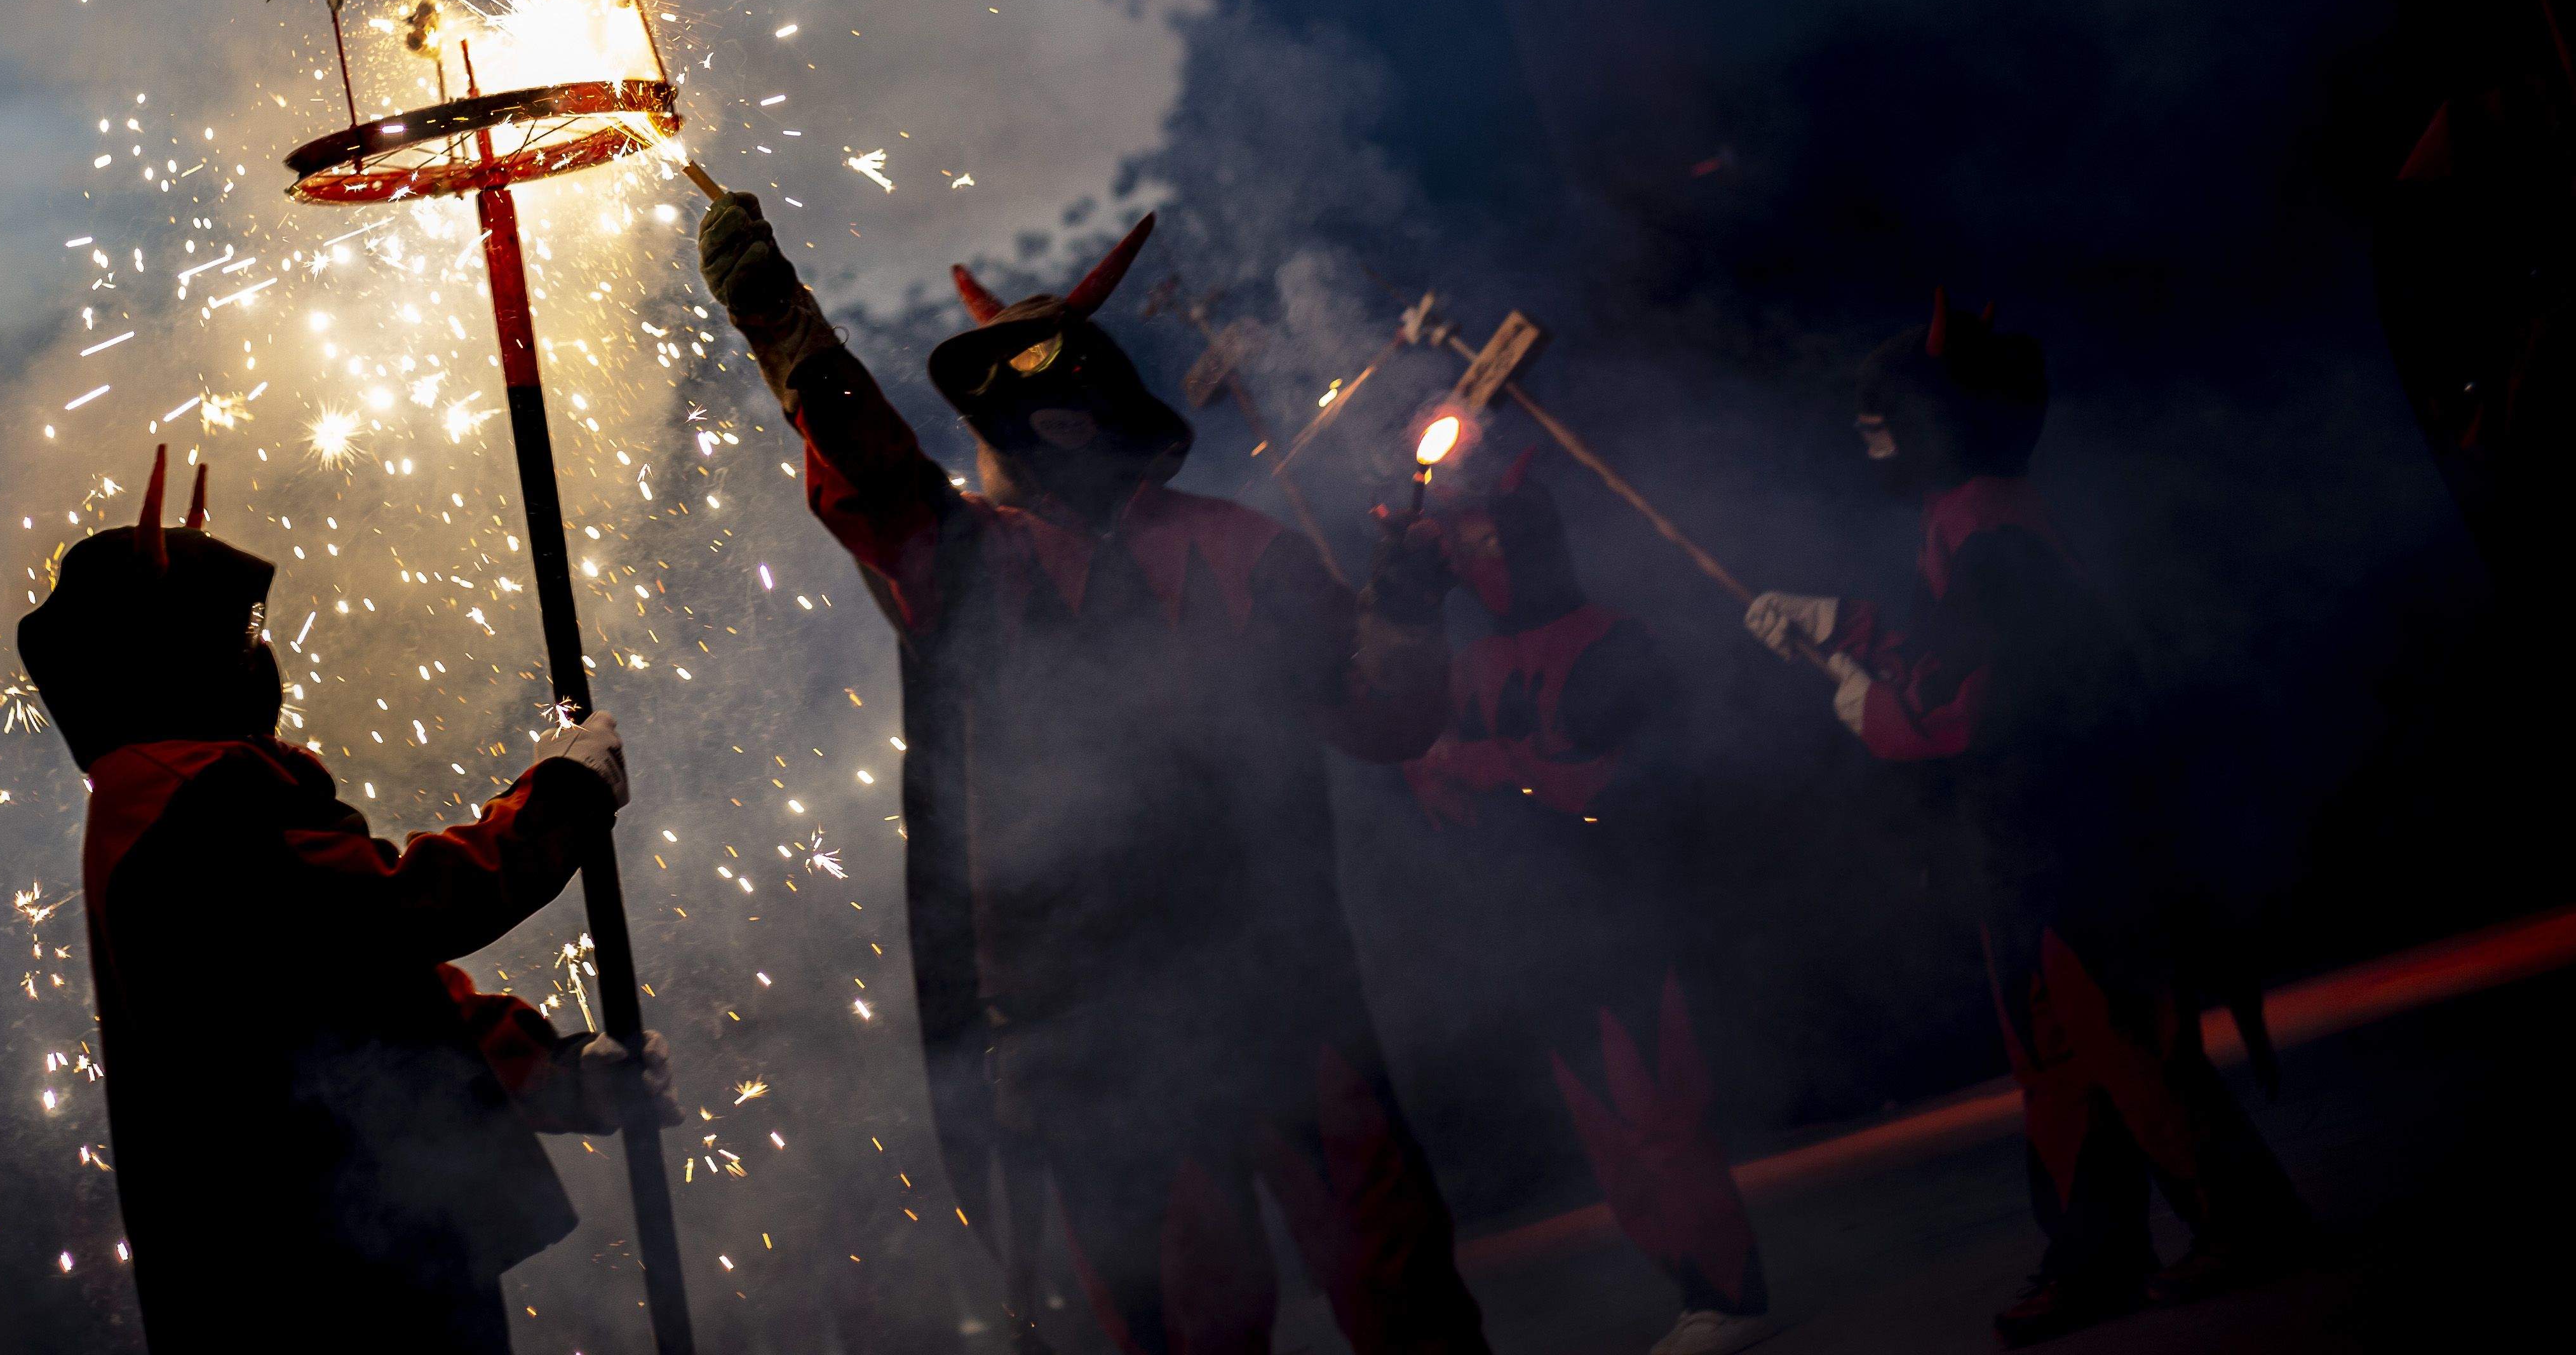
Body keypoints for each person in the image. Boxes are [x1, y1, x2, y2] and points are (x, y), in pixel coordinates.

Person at [695, 195, 1488, 1355]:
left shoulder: (1236, 550)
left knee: (1390, 1266)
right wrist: (788, 330)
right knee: (1180, 1310)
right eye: (1007, 399)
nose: (1038, 419)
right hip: (1091, 1018)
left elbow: (1388, 720)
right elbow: (872, 478)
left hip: (1278, 980)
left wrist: (1410, 614)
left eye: (1058, 394)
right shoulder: (972, 563)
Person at [15, 447, 675, 1355]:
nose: (257, 654)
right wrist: (561, 802)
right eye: (234, 637)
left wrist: (556, 1073)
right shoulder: (194, 797)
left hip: (334, 1259)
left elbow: (357, 1001)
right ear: (167, 653)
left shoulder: (155, 797)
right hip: (328, 1280)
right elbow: (391, 919)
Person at [1743, 296, 2307, 1345]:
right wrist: (1842, 626)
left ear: (1937, 426)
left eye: (1879, 431)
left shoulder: (1994, 528)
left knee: (2124, 1042)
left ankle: (2243, 1221)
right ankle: (2098, 1249)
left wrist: (1874, 708)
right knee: (2055, 1058)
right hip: (2026, 843)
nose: (1866, 450)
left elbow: (1983, 692)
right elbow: (1942, 642)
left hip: (2077, 835)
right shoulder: (1964, 515)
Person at [1401, 459, 1772, 1355]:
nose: (1467, 560)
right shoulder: (1470, 664)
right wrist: (1435, 766)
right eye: (1458, 547)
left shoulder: (1614, 640)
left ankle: (1727, 1293)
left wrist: (1510, 773)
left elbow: (1638, 783)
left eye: (1482, 541)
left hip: (1627, 912)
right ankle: (1690, 1290)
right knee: (1608, 1129)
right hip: (1540, 922)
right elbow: (1446, 794)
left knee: (1661, 1111)